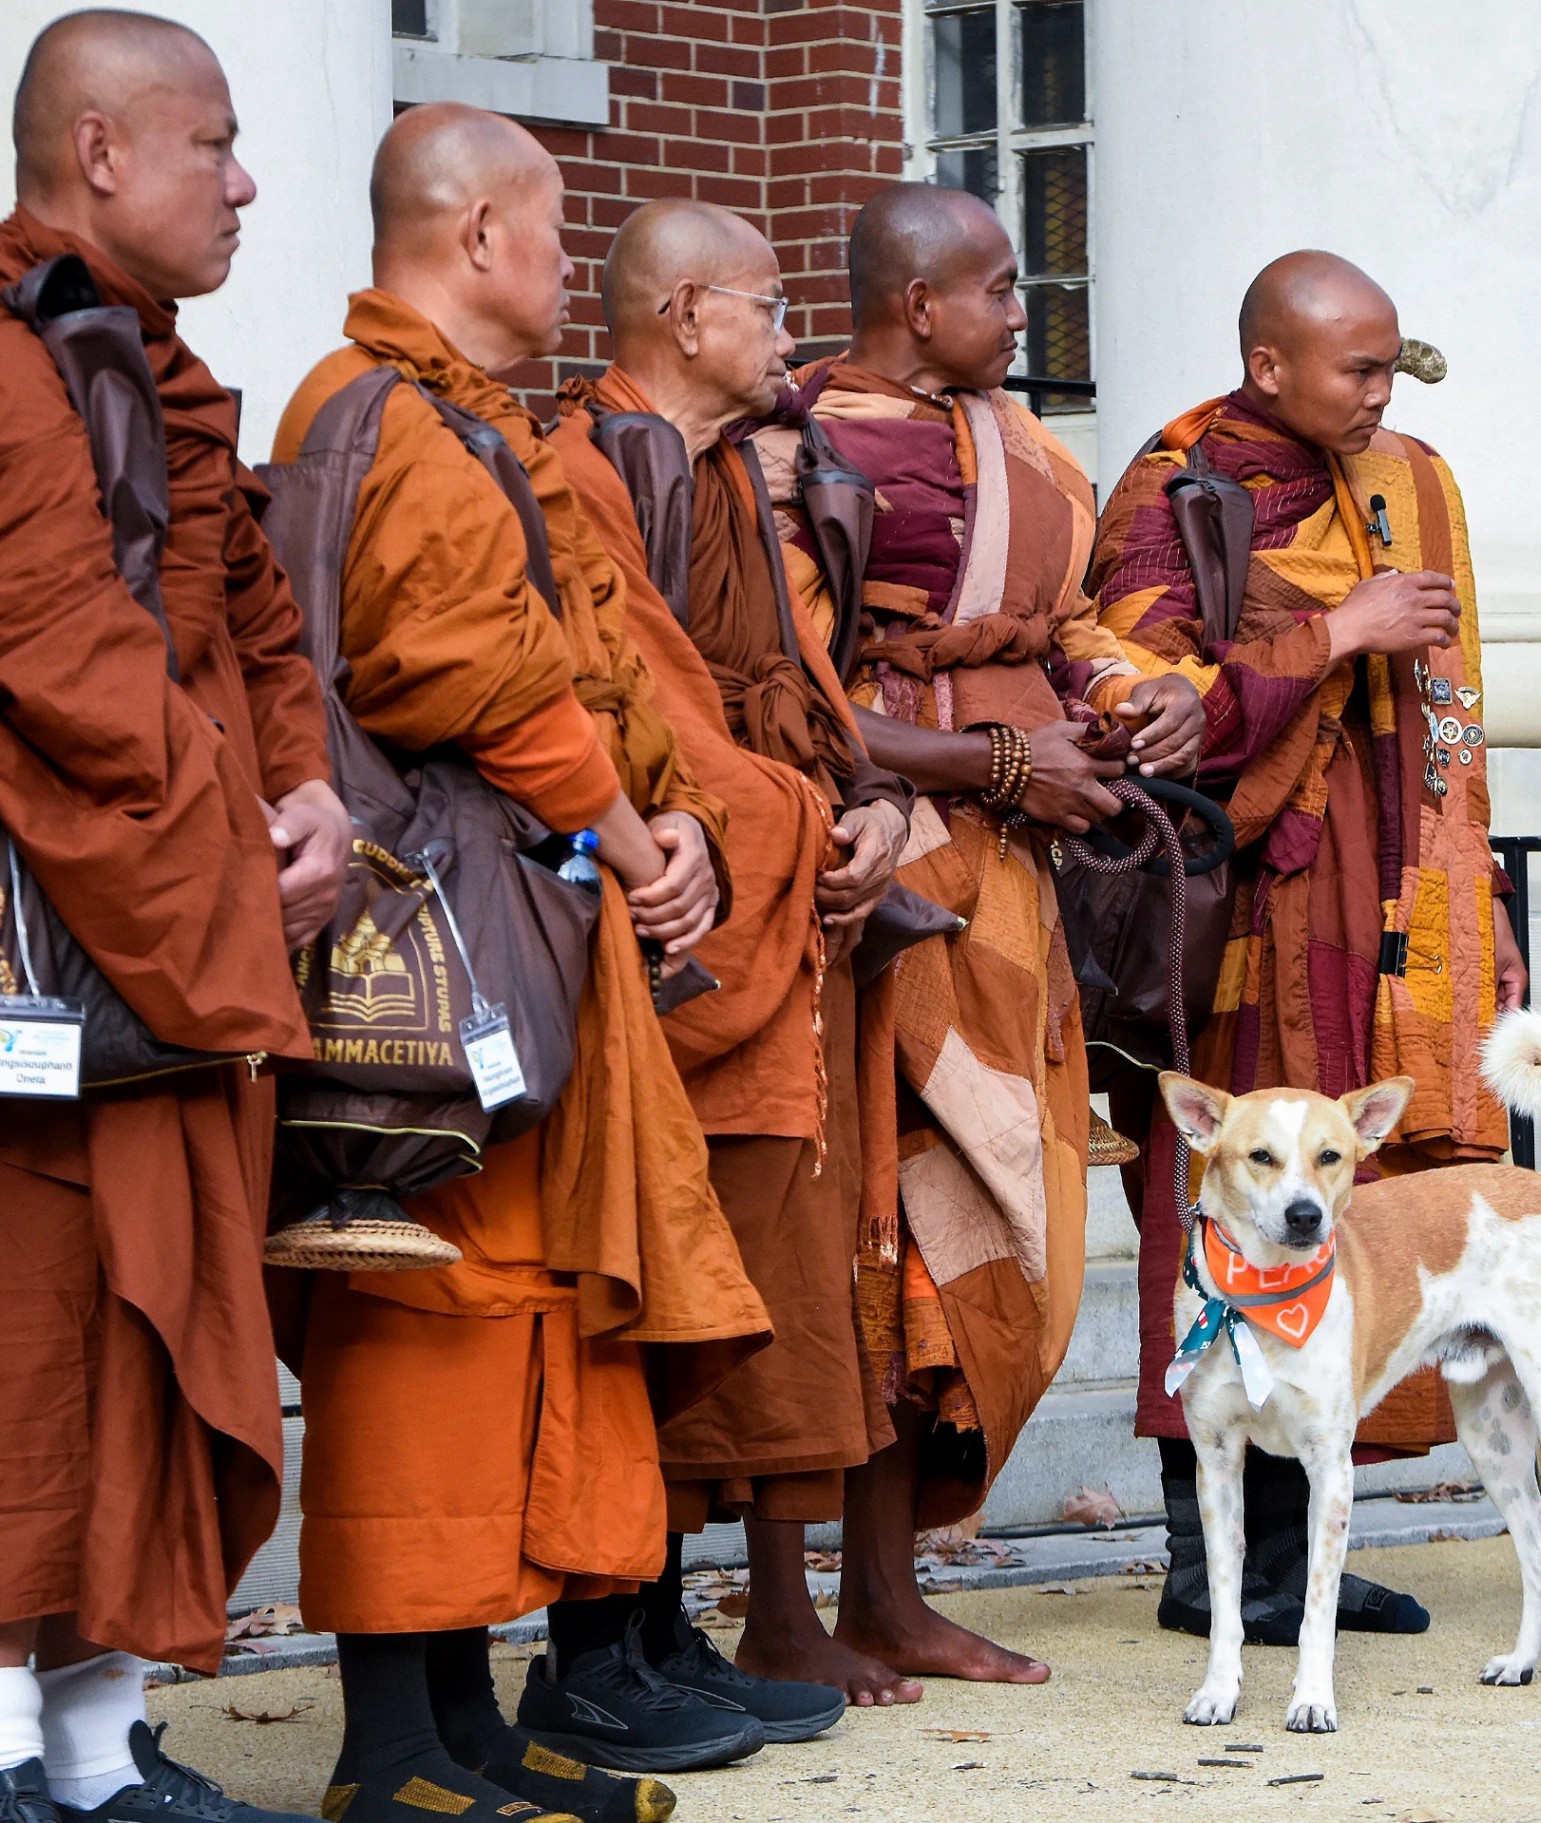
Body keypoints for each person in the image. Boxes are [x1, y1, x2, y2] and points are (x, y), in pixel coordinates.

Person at [269, 104, 773, 1823]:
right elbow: (469, 672)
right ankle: (391, 1748)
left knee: (510, 1311)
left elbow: (590, 668)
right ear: (480, 231)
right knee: (427, 1298)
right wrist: (634, 841)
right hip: (435, 950)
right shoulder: (384, 417)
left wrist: (669, 816)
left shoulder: (461, 421)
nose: (573, 267)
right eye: (556, 232)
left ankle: (465, 1718)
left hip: (510, 923)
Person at [756, 181, 1206, 1687]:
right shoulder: (797, 446)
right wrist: (1005, 764)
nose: (1024, 313)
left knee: (956, 1248)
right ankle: (780, 1605)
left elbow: (1073, 624)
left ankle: (887, 1591)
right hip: (859, 885)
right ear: (919, 303)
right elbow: (796, 694)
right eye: (1005, 289)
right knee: (837, 1235)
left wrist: (1139, 687)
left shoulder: (1025, 448)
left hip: (1008, 901)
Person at [0, 15, 349, 1823]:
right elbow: (55, 651)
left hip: (191, 913)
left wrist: (304, 792)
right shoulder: (6, 361)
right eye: (213, 144)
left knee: (150, 1331)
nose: (246, 181)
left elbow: (249, 623)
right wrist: (223, 846)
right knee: (26, 1331)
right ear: (103, 153)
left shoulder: (160, 366)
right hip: (56, 932)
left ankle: (93, 1745)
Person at [1089, 251, 1526, 1648]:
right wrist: (1341, 630)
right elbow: (1150, 719)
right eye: (1356, 368)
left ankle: (1304, 1547)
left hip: (1387, 910)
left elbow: (1451, 724)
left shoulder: (1410, 483)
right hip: (1237, 922)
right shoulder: (1176, 495)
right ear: (1268, 367)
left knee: (1352, 1204)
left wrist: (1480, 904)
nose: (1380, 392)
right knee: (1218, 1210)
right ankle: (1207, 1559)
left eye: (1393, 364)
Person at [545, 199, 915, 1726]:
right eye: (768, 309)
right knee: (654, 1272)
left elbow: (796, 690)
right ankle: (606, 1642)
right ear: (686, 315)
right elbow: (636, 699)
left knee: (741, 1273)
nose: (791, 338)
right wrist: (781, 818)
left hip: (769, 907)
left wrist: (876, 809)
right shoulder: (595, 463)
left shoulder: (713, 476)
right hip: (672, 923)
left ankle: (664, 1622)